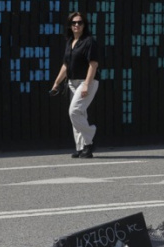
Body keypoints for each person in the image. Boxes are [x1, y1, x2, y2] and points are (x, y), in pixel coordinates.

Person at [51, 12, 100, 158]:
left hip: (86, 82)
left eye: (80, 22)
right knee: (79, 114)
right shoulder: (70, 42)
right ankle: (82, 147)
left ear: (84, 25)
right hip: (72, 82)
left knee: (74, 111)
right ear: (70, 26)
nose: (76, 25)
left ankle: (90, 136)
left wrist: (86, 84)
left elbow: (93, 64)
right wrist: (56, 83)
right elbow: (66, 65)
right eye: (74, 23)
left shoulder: (89, 41)